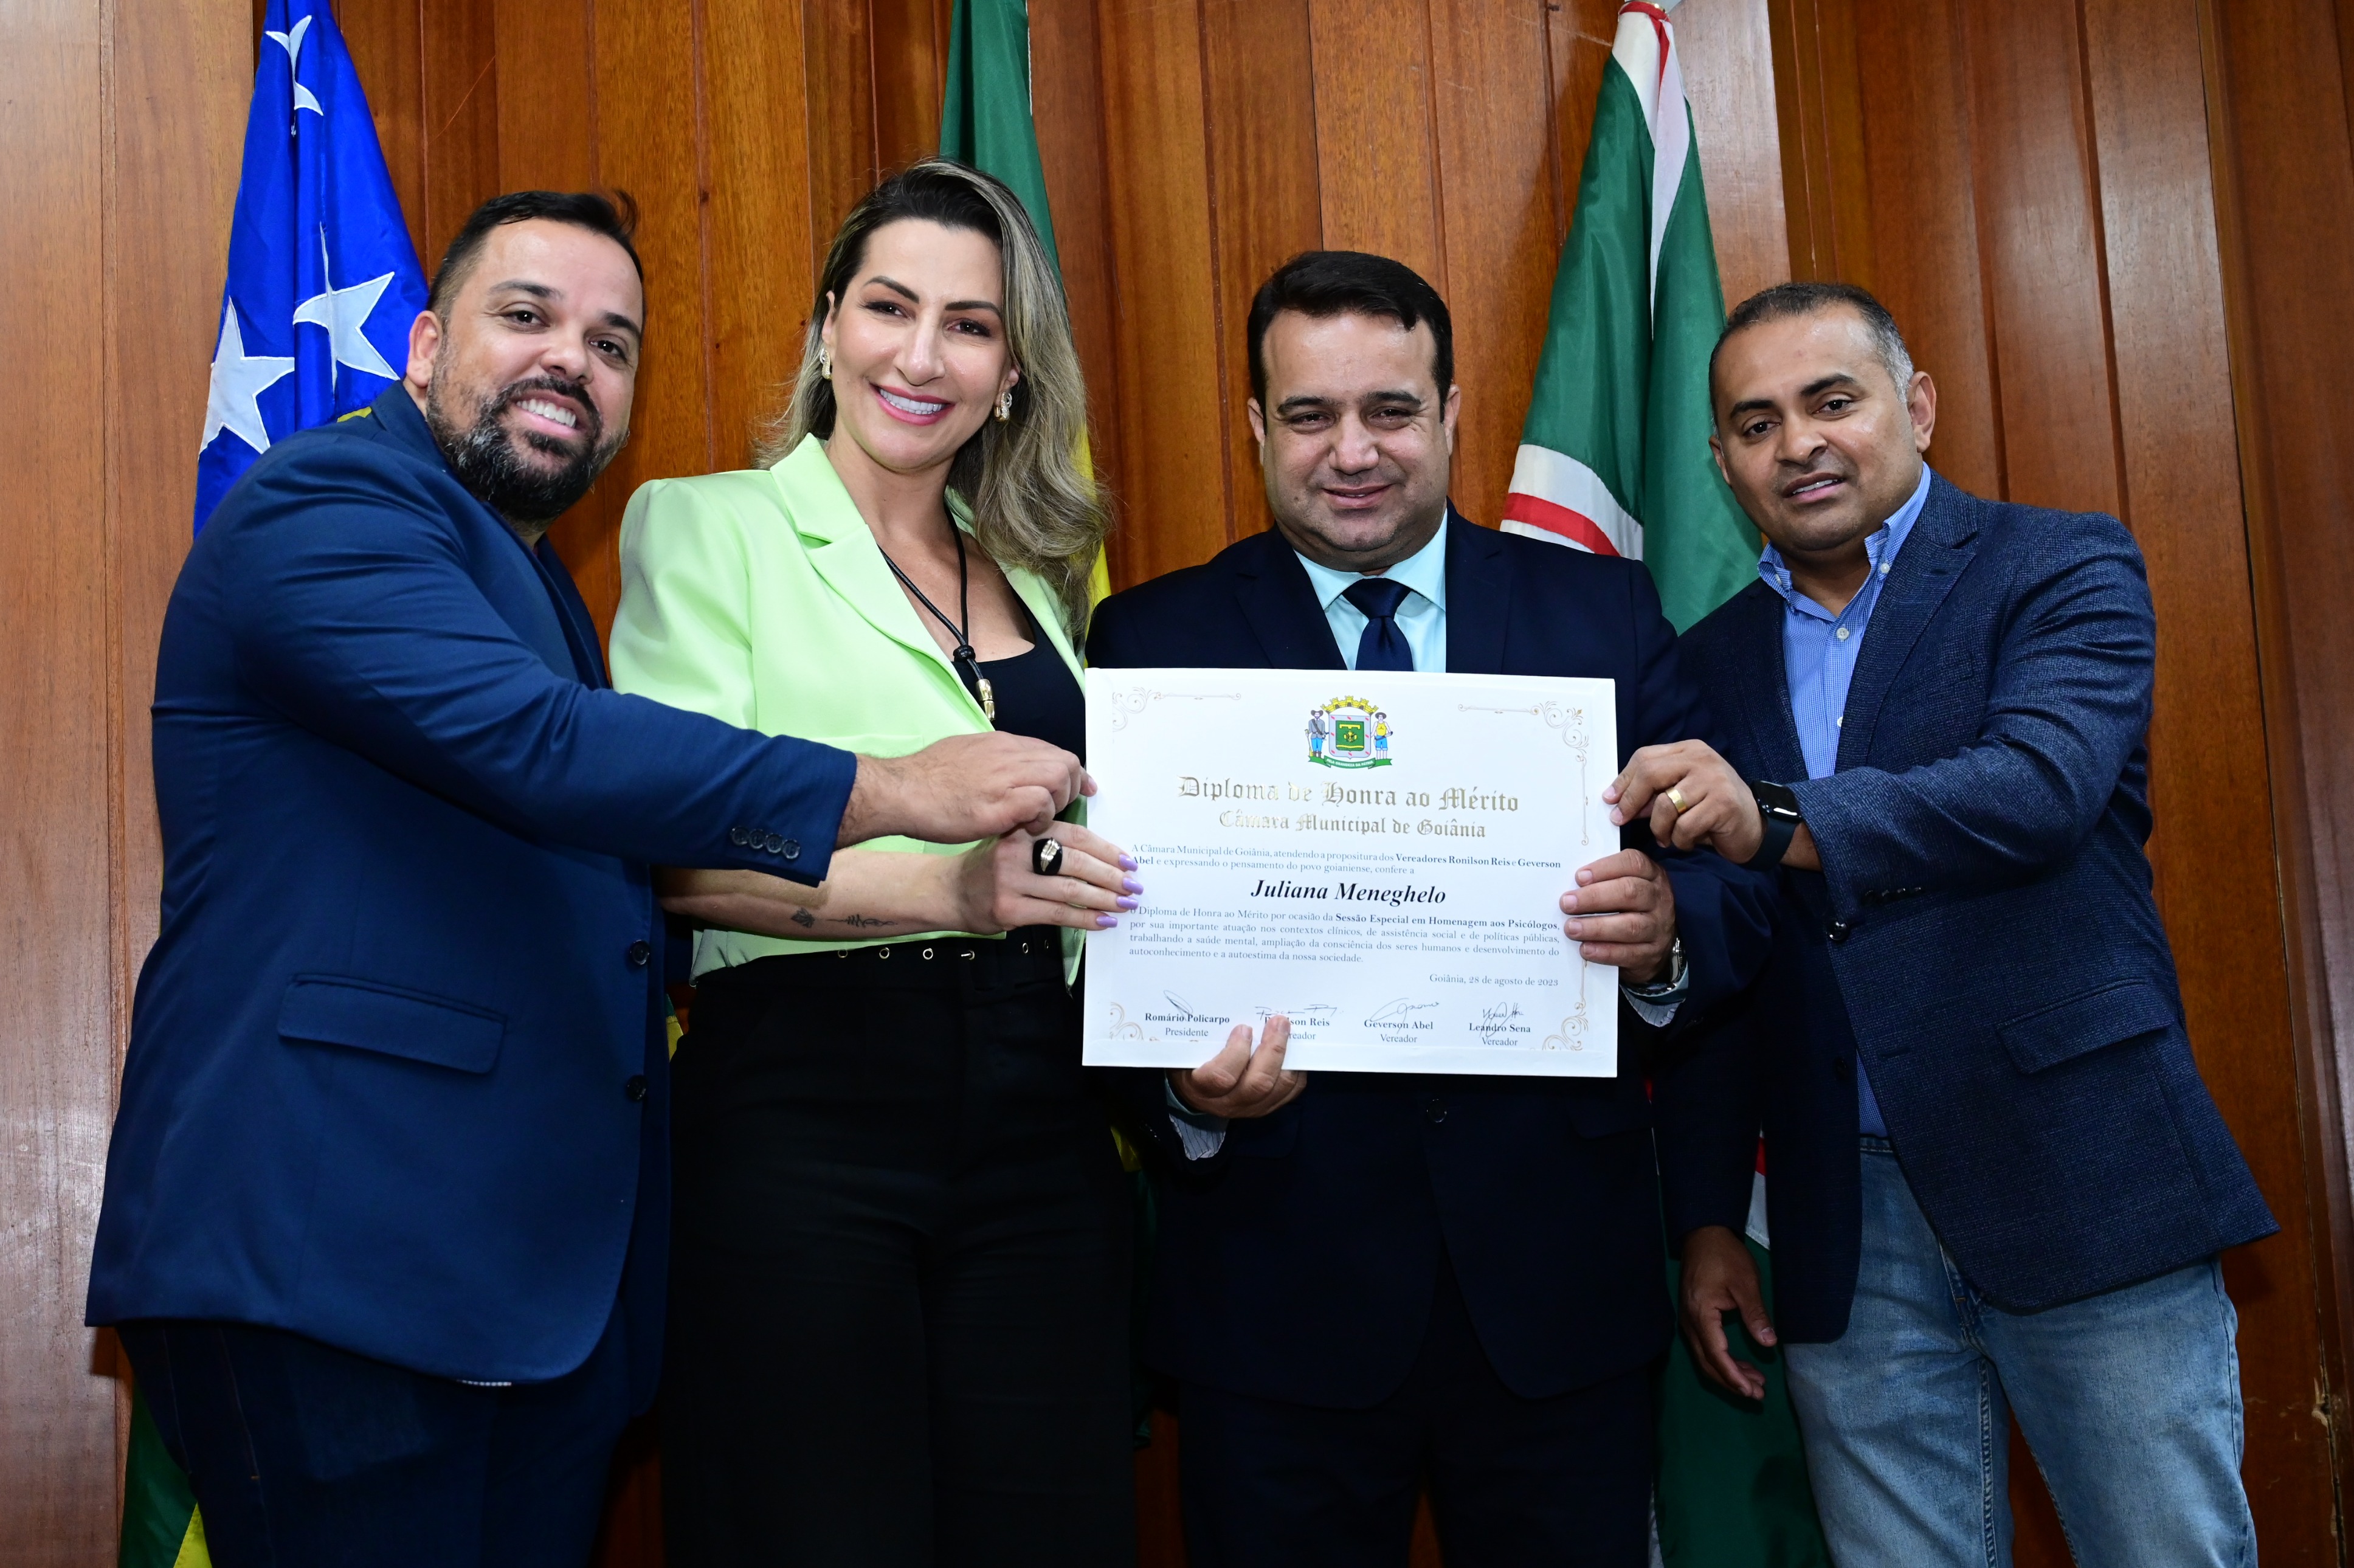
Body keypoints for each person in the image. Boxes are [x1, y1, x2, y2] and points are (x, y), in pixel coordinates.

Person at [84, 190, 1088, 1568]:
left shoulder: (530, 578)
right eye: (526, 316)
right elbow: (546, 748)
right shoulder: (329, 502)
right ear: (423, 346)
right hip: (334, 1253)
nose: (571, 358)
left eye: (612, 344)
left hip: (520, 1287)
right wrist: (901, 790)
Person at [1086, 250, 1774, 1567]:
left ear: (1452, 413)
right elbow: (1094, 942)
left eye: (1390, 411)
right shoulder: (1151, 643)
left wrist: (1665, 936)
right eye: (1310, 415)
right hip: (1274, 1302)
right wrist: (1182, 1092)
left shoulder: (1601, 614)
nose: (1352, 452)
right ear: (1256, 426)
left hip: (1555, 1300)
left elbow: (1732, 886)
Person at [1629, 281, 2274, 1567]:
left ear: (1915, 407)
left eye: (1832, 401)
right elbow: (1729, 948)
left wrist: (1773, 814)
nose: (1798, 444)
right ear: (1721, 463)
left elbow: (2036, 790)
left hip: (2076, 1167)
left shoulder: (2059, 566)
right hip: (1840, 1212)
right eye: (1756, 424)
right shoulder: (1701, 661)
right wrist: (1705, 1213)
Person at [606, 159, 1133, 1568]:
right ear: (827, 328)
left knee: (1054, 1528)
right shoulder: (705, 525)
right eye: (889, 307)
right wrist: (948, 889)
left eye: (970, 325)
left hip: (1047, 1119)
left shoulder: (1040, 573)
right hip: (803, 1113)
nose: (921, 355)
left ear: (1010, 375)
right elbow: (679, 855)